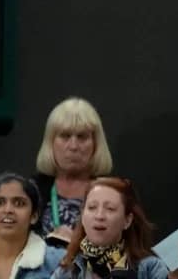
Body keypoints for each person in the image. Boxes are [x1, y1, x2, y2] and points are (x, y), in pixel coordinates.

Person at [32, 97, 113, 247]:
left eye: (82, 137)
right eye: (65, 136)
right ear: (51, 142)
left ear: (96, 144)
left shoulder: (115, 194)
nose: (73, 146)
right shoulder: (31, 191)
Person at [51, 177, 170, 279]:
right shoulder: (66, 271)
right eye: (92, 207)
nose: (99, 216)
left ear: (127, 220)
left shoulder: (151, 268)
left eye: (110, 209)